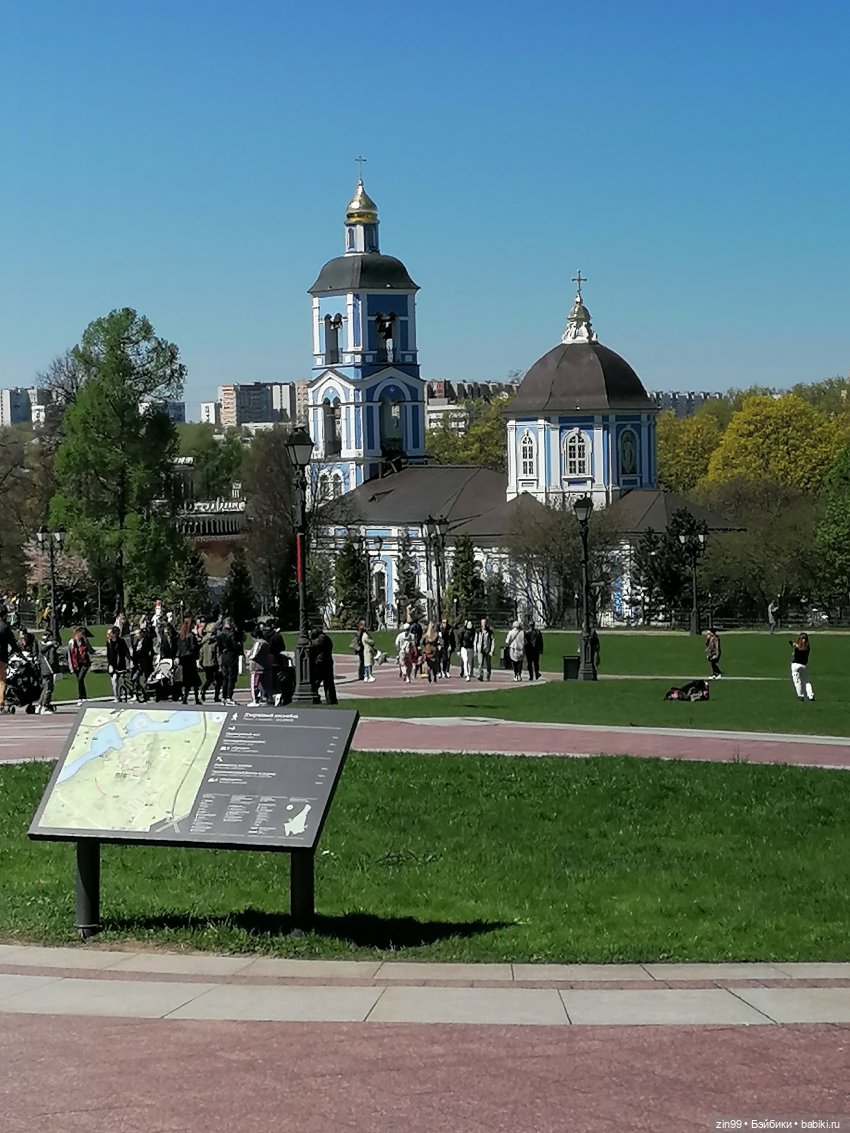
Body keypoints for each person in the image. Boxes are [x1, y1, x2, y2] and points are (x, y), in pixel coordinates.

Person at [310, 626, 338, 704]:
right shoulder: (325, 638)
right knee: (327, 682)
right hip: (326, 662)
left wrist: (310, 639)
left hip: (322, 663)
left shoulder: (322, 638)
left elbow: (314, 644)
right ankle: (330, 699)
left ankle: (317, 697)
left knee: (318, 682)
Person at [177, 618, 202, 705]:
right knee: (194, 680)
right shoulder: (191, 636)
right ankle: (196, 699)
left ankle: (185, 698)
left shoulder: (181, 636)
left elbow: (179, 649)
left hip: (184, 659)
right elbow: (193, 647)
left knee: (187, 681)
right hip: (190, 658)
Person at [217, 618, 242, 705]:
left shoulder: (220, 634)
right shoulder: (232, 633)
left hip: (224, 655)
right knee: (232, 676)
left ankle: (224, 696)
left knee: (225, 677)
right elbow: (235, 644)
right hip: (231, 655)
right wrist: (238, 645)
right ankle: (229, 696)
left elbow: (219, 646)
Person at [37, 628, 59, 714]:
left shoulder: (40, 645)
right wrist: (56, 669)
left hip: (43, 668)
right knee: (49, 688)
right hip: (49, 668)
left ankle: (39, 705)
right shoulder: (51, 647)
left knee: (44, 687)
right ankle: (45, 706)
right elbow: (53, 660)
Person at [105, 626, 130, 702]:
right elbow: (109, 655)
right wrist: (109, 665)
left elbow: (126, 651)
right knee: (114, 680)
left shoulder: (121, 641)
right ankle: (116, 696)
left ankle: (122, 694)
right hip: (113, 664)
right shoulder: (109, 642)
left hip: (120, 664)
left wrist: (130, 660)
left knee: (120, 679)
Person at [67, 626, 91, 706]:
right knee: (79, 681)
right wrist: (71, 667)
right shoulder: (71, 642)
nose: (80, 634)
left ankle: (81, 697)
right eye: (78, 633)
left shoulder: (84, 641)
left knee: (80, 679)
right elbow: (69, 655)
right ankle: (83, 697)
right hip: (76, 664)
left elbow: (90, 650)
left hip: (84, 663)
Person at [246, 629, 270, 706]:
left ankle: (255, 700)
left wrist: (249, 656)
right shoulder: (266, 643)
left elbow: (254, 654)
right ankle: (264, 698)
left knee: (254, 685)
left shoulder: (258, 643)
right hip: (263, 666)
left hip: (256, 667)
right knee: (262, 684)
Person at [199, 622, 221, 702]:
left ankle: (203, 690)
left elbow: (201, 652)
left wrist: (200, 662)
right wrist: (220, 663)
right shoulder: (215, 640)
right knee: (218, 680)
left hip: (205, 662)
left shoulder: (204, 640)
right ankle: (216, 696)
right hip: (213, 662)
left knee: (209, 679)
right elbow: (217, 653)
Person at [789, 633, 814, 701]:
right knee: (806, 681)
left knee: (797, 681)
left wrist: (793, 645)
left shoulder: (797, 647)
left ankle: (800, 695)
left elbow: (794, 652)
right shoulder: (807, 647)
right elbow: (801, 645)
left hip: (795, 665)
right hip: (803, 665)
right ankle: (810, 695)